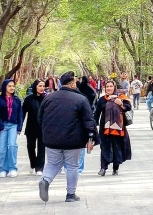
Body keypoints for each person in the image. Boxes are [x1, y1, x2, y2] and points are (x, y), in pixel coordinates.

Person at [38, 72, 98, 203]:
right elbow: (89, 121)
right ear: (71, 83)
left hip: (52, 139)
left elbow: (40, 118)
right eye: (75, 82)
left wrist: (47, 133)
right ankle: (71, 194)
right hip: (73, 140)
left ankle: (45, 180)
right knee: (72, 166)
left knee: (53, 163)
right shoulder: (81, 99)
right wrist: (91, 137)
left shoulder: (48, 98)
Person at [95, 81, 132, 175]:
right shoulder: (102, 99)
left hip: (118, 127)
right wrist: (93, 125)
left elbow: (128, 107)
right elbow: (97, 113)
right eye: (107, 86)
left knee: (117, 146)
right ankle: (103, 168)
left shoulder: (121, 97)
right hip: (105, 127)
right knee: (104, 146)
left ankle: (116, 168)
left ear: (114, 87)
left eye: (111, 86)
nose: (109, 88)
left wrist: (121, 104)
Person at [0, 78, 23, 178]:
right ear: (5, 87)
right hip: (2, 126)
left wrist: (19, 127)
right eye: (9, 86)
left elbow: (20, 114)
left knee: (12, 145)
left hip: (13, 126)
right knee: (2, 148)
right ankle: (3, 169)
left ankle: (12, 168)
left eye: (13, 86)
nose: (12, 88)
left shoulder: (17, 100)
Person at [22, 80, 47, 176]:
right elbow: (23, 113)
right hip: (31, 127)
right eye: (40, 86)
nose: (42, 88)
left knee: (42, 148)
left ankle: (40, 167)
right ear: (35, 87)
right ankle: (33, 163)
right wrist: (19, 126)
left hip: (42, 127)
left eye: (43, 86)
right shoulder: (28, 99)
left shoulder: (46, 99)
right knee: (30, 146)